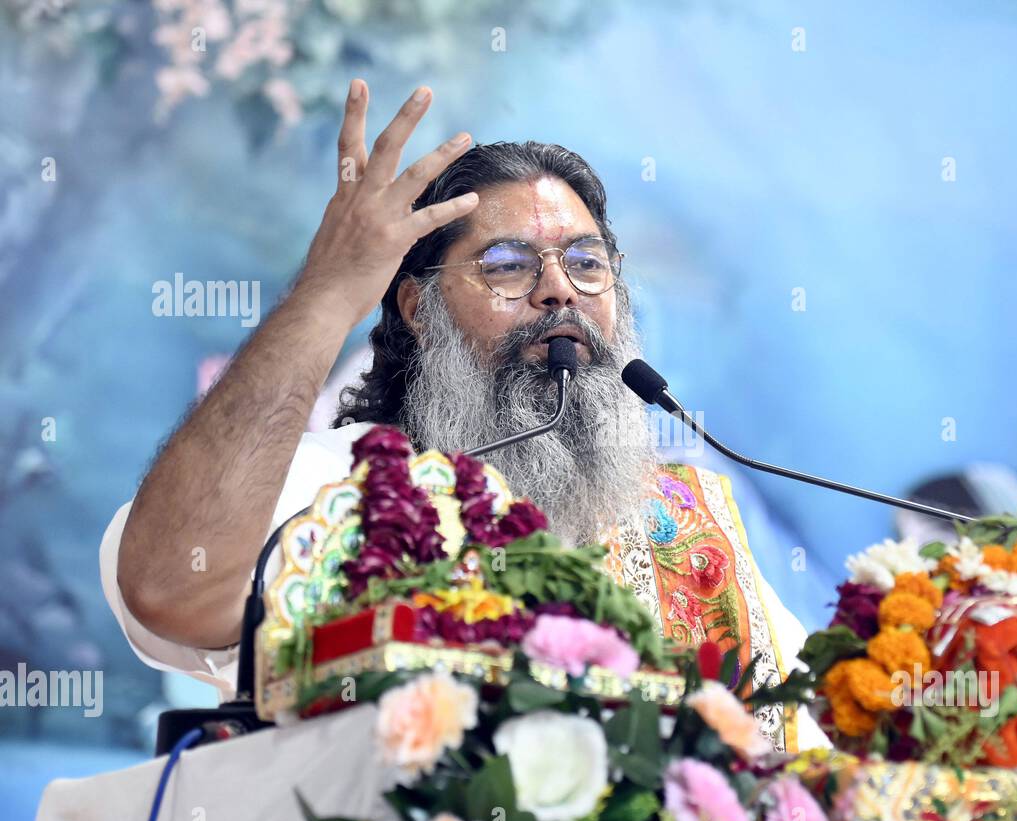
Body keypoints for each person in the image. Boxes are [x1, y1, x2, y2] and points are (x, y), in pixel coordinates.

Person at [101, 80, 821, 751]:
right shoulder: (342, 488)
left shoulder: (692, 529)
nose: (557, 292)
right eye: (507, 265)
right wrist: (327, 292)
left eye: (588, 263)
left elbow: (808, 777)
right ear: (419, 308)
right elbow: (171, 587)